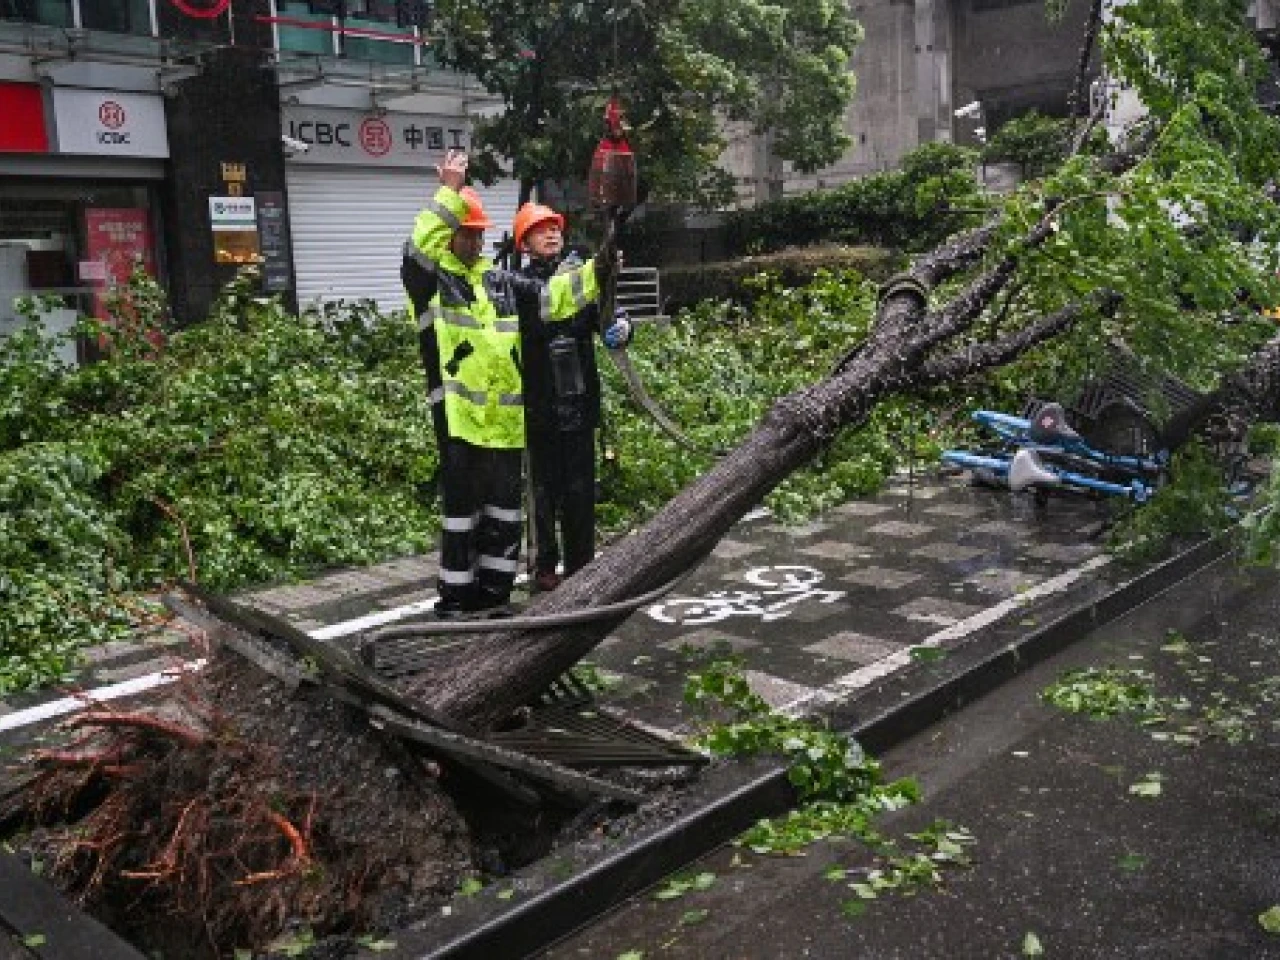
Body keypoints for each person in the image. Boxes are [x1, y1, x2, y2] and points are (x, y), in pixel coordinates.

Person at [401, 151, 620, 618]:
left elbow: (552, 299)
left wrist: (596, 271)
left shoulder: (499, 282)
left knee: (504, 515)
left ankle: (495, 597)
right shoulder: (432, 282)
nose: (476, 240)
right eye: (468, 232)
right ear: (452, 234)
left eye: (480, 233)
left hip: (503, 426)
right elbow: (416, 249)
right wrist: (451, 192)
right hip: (460, 423)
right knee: (463, 516)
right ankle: (457, 600)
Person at [513, 202, 631, 592]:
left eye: (555, 229)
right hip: (540, 405)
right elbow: (549, 299)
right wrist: (596, 271)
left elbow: (610, 313)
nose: (552, 234)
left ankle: (582, 566)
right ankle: (546, 565)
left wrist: (622, 327)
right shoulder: (519, 285)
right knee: (544, 491)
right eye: (541, 230)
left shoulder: (581, 277)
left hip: (578, 403)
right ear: (524, 243)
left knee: (580, 489)